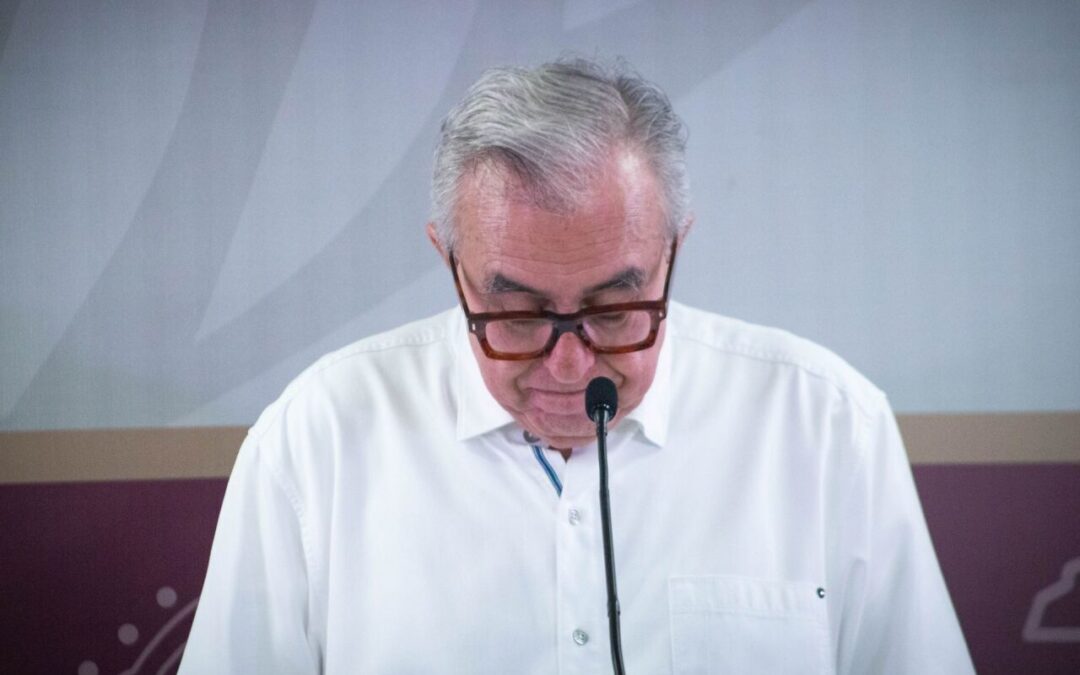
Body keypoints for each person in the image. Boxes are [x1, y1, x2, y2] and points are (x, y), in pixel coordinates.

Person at [180, 57, 974, 674]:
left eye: (613, 309)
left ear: (674, 251)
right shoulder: (315, 440)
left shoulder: (827, 425)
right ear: (448, 262)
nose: (567, 364)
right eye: (520, 314)